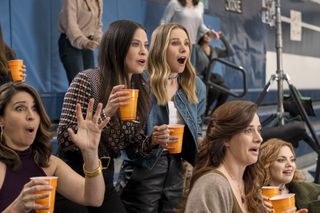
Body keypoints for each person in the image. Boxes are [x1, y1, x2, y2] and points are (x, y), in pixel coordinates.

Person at [56, 19, 150, 213]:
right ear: (117, 48)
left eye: (145, 45)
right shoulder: (88, 80)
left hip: (105, 176)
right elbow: (65, 138)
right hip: (73, 173)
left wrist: (154, 141)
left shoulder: (141, 90)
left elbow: (134, 151)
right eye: (135, 44)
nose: (143, 51)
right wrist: (105, 113)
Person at [119, 23, 206, 213]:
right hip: (143, 170)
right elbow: (126, 140)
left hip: (177, 167)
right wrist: (153, 140)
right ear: (160, 48)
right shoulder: (139, 81)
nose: (184, 48)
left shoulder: (195, 85)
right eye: (175, 43)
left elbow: (197, 127)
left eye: (187, 43)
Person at [0, 82, 109, 213]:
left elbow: (94, 198)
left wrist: (90, 152)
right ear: (1, 119)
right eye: (20, 108)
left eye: (35, 109)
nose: (31, 116)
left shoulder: (49, 163)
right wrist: (16, 209)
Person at [184, 100, 267, 213]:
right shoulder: (212, 185)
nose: (259, 139)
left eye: (259, 130)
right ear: (226, 139)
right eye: (248, 130)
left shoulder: (249, 183)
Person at [256, 138, 319, 212]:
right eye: (281, 160)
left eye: (292, 160)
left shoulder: (311, 190)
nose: (290, 165)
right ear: (266, 164)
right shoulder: (253, 198)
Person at [191, 29, 235, 116]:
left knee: (226, 90)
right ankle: (204, 112)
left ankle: (214, 114)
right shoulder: (195, 48)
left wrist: (222, 37)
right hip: (200, 78)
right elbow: (192, 66)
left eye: (209, 34)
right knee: (215, 90)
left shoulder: (215, 50)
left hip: (210, 79)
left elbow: (231, 52)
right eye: (205, 34)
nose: (207, 36)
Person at [58, 0, 103, 83]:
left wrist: (100, 41)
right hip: (70, 42)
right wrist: (85, 42)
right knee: (78, 85)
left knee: (90, 84)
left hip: (87, 44)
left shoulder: (98, 1)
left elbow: (97, 26)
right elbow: (71, 26)